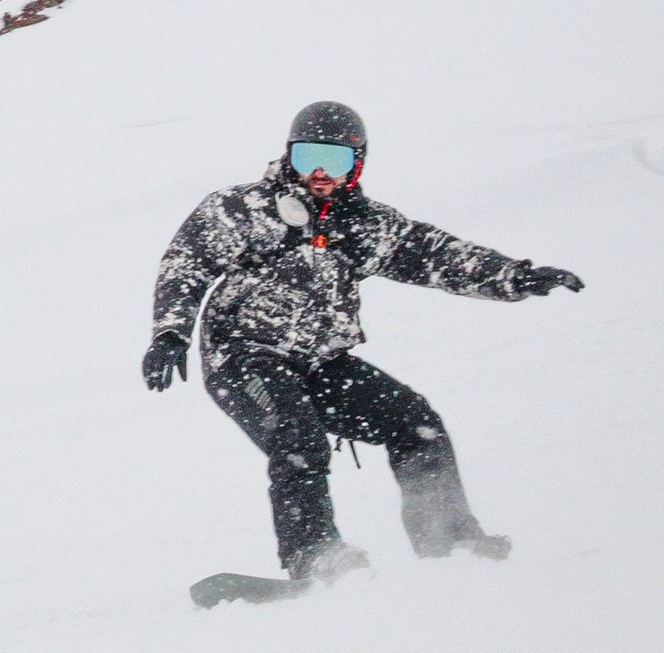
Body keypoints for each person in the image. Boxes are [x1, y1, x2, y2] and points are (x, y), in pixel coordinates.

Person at [144, 100, 581, 585]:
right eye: (307, 155)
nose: (318, 171)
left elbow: (436, 254)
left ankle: (448, 538)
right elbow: (186, 265)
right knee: (298, 437)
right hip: (241, 357)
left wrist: (514, 277)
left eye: (336, 160)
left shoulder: (365, 224)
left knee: (415, 422)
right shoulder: (242, 209)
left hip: (319, 361)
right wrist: (170, 334)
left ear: (358, 164)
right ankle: (314, 554)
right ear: (288, 154)